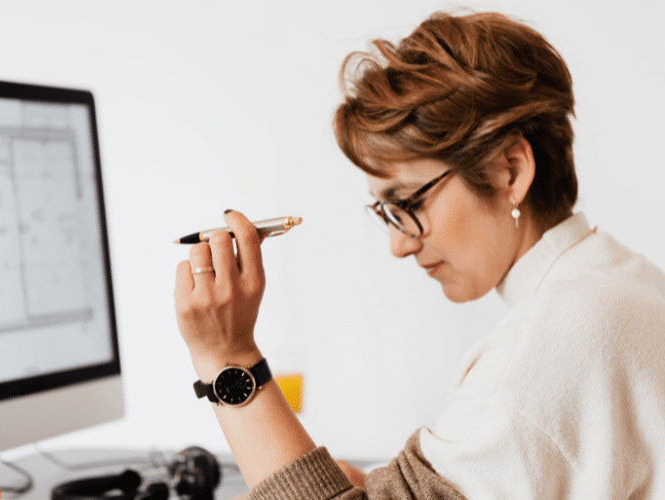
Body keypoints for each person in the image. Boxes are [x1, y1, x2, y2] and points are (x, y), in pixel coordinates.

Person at [174, 10, 665, 500]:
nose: (399, 244)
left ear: (509, 171)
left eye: (408, 203)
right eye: (386, 212)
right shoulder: (623, 283)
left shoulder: (542, 352)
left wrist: (227, 356)